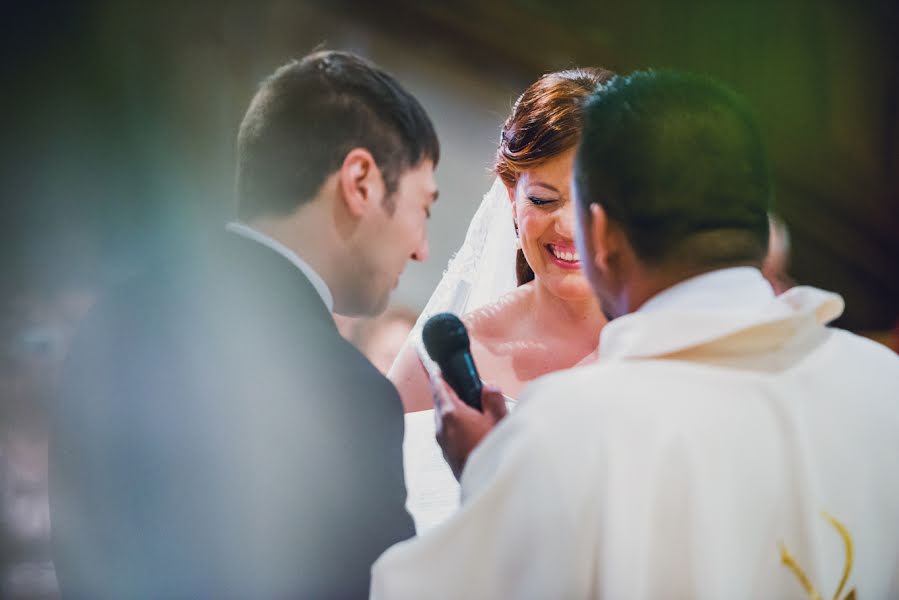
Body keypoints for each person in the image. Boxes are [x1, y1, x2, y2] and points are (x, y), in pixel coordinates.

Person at [371, 71, 899, 599]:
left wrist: (491, 483)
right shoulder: (882, 382)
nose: (566, 228)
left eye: (578, 205)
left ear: (601, 230)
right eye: (543, 200)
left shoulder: (571, 423)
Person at [49, 50, 439, 599]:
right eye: (425, 206)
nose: (422, 249)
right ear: (361, 181)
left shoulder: (118, 312)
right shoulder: (347, 394)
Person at [390, 68, 613, 531]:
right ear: (512, 198)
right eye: (544, 201)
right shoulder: (449, 354)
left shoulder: (665, 347)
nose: (568, 227)